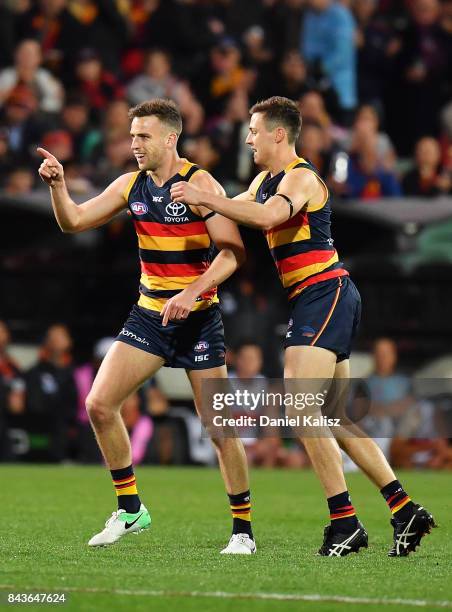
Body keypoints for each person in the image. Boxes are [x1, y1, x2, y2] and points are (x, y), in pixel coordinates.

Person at [170, 95, 436, 557]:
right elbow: (229, 211)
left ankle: (344, 522)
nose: (248, 137)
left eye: (253, 130)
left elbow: (270, 216)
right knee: (334, 416)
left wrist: (202, 194)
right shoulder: (264, 180)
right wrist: (168, 202)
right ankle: (404, 509)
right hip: (319, 297)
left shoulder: (301, 177)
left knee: (299, 408)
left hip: (324, 292)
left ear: (278, 133)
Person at [37, 98, 255, 555]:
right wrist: (58, 186)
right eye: (133, 135)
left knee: (218, 427)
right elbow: (74, 221)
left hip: (197, 318)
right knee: (99, 404)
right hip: (150, 314)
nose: (134, 143)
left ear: (170, 138)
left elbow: (233, 253)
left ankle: (242, 532)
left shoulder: (200, 183)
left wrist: (192, 292)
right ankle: (131, 507)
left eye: (144, 136)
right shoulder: (130, 185)